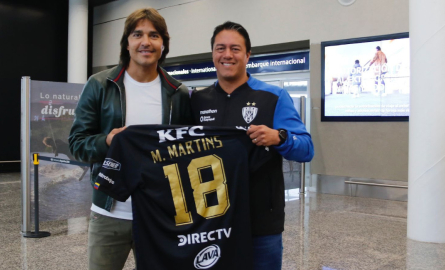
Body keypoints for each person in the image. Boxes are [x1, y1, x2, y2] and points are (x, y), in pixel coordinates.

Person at [68, 8, 193, 270]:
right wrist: (107, 142)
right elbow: (77, 144)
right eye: (138, 34)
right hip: (109, 212)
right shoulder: (100, 85)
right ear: (127, 42)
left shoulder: (178, 93)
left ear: (163, 44)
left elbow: (187, 151)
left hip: (160, 214)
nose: (145, 42)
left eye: (154, 35)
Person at [190, 21, 314, 270]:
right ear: (213, 54)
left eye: (235, 49)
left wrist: (280, 137)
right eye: (220, 48)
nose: (227, 54)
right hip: (210, 223)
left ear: (248, 55)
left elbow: (306, 149)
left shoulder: (273, 97)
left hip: (261, 223)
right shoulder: (196, 100)